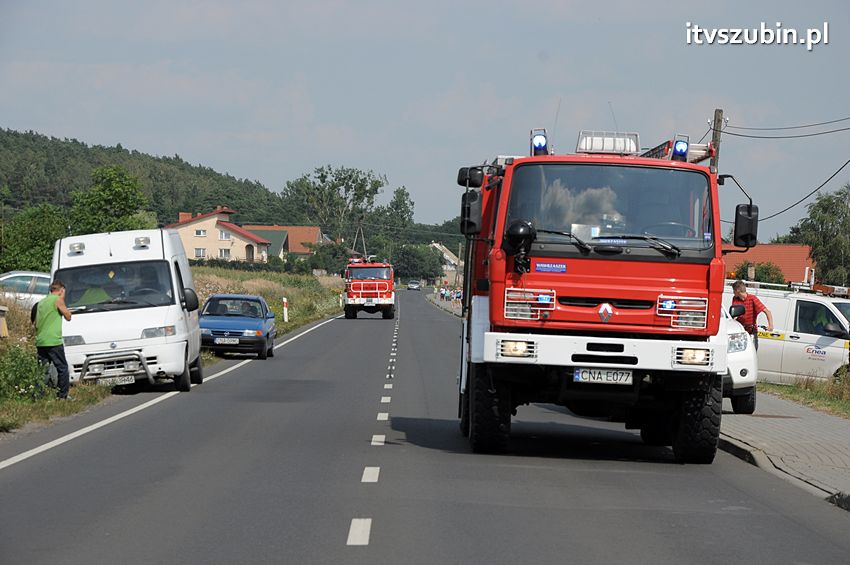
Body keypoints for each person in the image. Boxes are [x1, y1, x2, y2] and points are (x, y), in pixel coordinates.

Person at [34, 280, 73, 399]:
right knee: (62, 368)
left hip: (41, 341)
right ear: (61, 290)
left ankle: (39, 396)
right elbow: (68, 316)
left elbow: (36, 323)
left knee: (42, 370)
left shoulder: (41, 302)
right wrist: (65, 306)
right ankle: (62, 396)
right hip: (53, 341)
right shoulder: (58, 300)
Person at [731, 280, 773, 350]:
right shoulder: (735, 299)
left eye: (734, 290)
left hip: (751, 332)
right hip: (740, 331)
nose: (733, 292)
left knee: (752, 351)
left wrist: (770, 325)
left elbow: (767, 311)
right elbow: (734, 314)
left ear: (738, 290)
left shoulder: (752, 298)